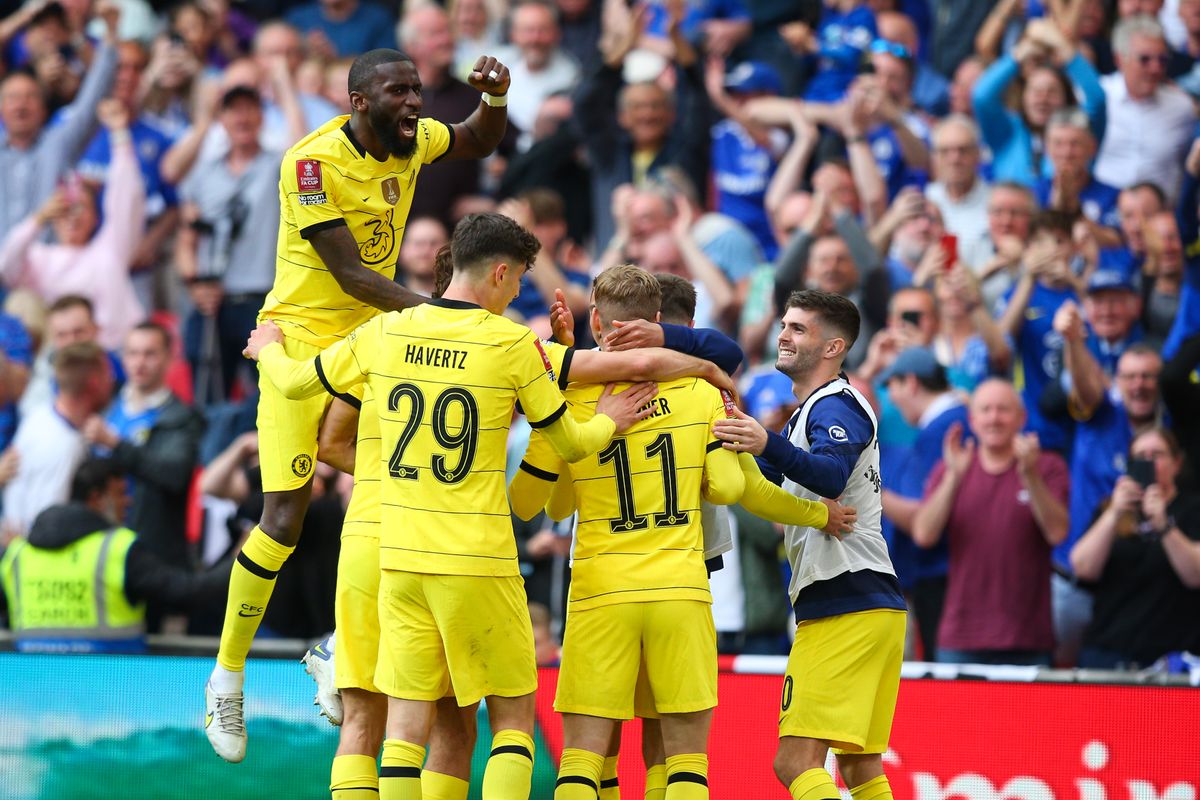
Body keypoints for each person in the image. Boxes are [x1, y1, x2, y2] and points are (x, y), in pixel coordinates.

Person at [246, 212, 723, 798]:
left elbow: (296, 387)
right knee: (512, 720)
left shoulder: (385, 332)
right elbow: (571, 444)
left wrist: (266, 347)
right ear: (499, 272)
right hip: (479, 558)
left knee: (402, 728)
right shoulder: (512, 343)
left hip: (398, 558)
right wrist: (608, 420)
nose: (519, 290)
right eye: (519, 278)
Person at [204, 47, 515, 764]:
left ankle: (338, 647)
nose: (414, 103)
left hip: (377, 339)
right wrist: (446, 315)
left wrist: (495, 99)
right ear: (358, 102)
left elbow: (473, 136)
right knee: (284, 517)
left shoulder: (412, 140)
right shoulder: (309, 165)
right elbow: (349, 274)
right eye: (398, 92)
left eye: (416, 90)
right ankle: (226, 676)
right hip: (304, 337)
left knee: (404, 475)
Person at [509, 267, 853, 800]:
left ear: (595, 320)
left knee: (581, 762)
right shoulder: (700, 390)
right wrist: (817, 514)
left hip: (601, 592)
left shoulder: (570, 401)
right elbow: (732, 489)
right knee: (684, 765)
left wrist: (580, 444)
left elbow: (533, 503)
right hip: (680, 591)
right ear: (657, 324)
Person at [711, 290, 907, 800]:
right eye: (784, 324)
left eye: (799, 328)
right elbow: (756, 486)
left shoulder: (836, 405)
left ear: (833, 347)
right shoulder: (807, 415)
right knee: (861, 765)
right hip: (868, 605)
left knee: (794, 760)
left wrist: (764, 440)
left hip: (844, 602)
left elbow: (831, 474)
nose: (783, 334)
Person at [913, 380, 1070, 666]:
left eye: (1003, 410)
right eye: (985, 410)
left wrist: (1030, 476)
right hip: (961, 636)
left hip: (1028, 638)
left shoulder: (1047, 466)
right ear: (972, 420)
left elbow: (1058, 532)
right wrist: (953, 478)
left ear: (1021, 418)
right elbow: (924, 534)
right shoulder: (952, 467)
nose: (994, 418)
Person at [0, 458, 229, 653]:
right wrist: (244, 560)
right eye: (120, 493)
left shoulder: (18, 553)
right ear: (96, 498)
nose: (127, 502)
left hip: (31, 693)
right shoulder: (118, 549)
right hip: (113, 692)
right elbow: (187, 592)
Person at [0, 98, 146, 351]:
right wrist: (37, 220)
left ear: (95, 216)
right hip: (61, 360)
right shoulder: (39, 258)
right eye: (64, 210)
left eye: (80, 208)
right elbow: (7, 265)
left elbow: (127, 196)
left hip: (115, 357)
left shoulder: (110, 249)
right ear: (52, 216)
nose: (73, 217)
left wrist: (120, 134)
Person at [81, 323, 206, 572]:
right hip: (101, 548)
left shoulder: (180, 417)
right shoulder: (106, 407)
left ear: (169, 358)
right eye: (132, 353)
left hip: (152, 553)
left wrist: (116, 444)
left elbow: (173, 474)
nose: (140, 362)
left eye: (150, 354)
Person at [1071, 427, 1200, 668]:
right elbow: (1082, 567)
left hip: (1172, 659)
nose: (1149, 463)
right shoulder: (1110, 509)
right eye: (1141, 456)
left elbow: (1196, 574)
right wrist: (1114, 513)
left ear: (1176, 463)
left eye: (1157, 455)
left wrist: (1163, 526)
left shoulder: (1192, 509)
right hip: (1109, 652)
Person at [1, 342, 114, 539]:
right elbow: (44, 529)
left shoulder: (41, 414)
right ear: (94, 382)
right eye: (107, 374)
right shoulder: (61, 445)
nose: (112, 381)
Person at [1094, 15, 1196, 201]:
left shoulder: (1182, 107)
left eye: (1162, 60)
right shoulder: (1099, 95)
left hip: (1159, 217)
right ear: (1119, 59)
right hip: (1102, 212)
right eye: (1145, 59)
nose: (1155, 68)